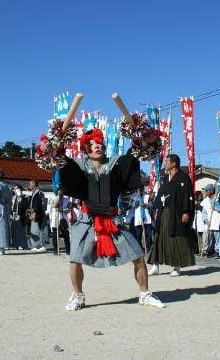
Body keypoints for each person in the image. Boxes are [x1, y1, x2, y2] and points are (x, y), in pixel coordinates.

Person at [54, 128, 165, 310]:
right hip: (86, 219)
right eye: (92, 145)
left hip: (113, 219)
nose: (97, 147)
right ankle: (78, 296)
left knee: (138, 256)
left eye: (99, 145)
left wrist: (143, 142)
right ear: (86, 149)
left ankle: (144, 294)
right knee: (75, 260)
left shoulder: (115, 164)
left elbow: (133, 157)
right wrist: (55, 145)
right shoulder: (79, 166)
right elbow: (60, 160)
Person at [147, 154, 196, 277]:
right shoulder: (165, 178)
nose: (165, 164)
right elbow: (159, 195)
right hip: (164, 212)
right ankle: (155, 265)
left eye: (167, 161)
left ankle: (176, 266)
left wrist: (186, 211)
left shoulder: (183, 178)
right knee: (159, 237)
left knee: (176, 238)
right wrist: (155, 208)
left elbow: (187, 195)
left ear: (174, 164)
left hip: (177, 213)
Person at [27, 179, 47, 252]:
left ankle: (42, 245)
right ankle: (35, 245)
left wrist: (35, 213)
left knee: (40, 229)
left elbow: (39, 204)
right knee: (34, 230)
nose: (29, 186)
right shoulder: (33, 193)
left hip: (39, 214)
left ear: (34, 185)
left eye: (30, 184)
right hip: (33, 213)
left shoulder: (39, 193)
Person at [51, 189, 71, 255]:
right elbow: (53, 206)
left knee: (65, 234)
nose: (60, 193)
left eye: (61, 192)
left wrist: (62, 210)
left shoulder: (66, 199)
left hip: (63, 217)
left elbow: (69, 209)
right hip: (55, 217)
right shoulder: (54, 198)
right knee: (55, 234)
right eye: (59, 192)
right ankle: (55, 250)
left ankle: (68, 250)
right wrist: (57, 200)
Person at [9, 185, 29, 250]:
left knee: (20, 231)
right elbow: (11, 206)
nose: (15, 191)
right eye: (14, 189)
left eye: (16, 189)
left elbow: (25, 206)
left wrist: (20, 197)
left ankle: (21, 244)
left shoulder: (24, 196)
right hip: (13, 215)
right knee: (13, 230)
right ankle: (14, 244)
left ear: (20, 190)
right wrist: (10, 213)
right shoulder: (13, 197)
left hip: (20, 215)